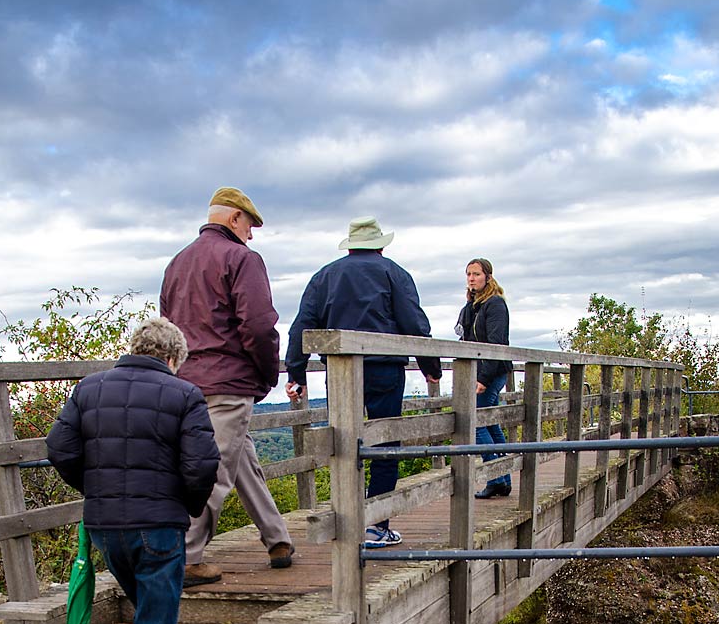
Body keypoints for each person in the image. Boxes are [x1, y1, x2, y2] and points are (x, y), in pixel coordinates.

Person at [46, 317, 220, 624]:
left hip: (105, 528)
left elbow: (60, 449)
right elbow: (202, 465)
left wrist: (97, 491)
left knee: (149, 611)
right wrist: (188, 506)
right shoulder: (184, 395)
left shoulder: (89, 389)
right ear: (172, 358)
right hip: (158, 527)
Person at [160, 187, 294, 587]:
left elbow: (168, 325)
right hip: (228, 381)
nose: (252, 235)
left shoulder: (177, 263)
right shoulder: (242, 258)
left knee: (239, 456)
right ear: (235, 219)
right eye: (250, 225)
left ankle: (277, 539)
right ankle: (186, 559)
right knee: (213, 469)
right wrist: (268, 374)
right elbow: (257, 325)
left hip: (184, 382)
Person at [285, 215, 442, 547]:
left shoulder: (324, 276)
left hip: (340, 374)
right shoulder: (394, 273)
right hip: (384, 370)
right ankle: (375, 525)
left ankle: (346, 522)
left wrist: (297, 374)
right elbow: (415, 325)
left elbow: (302, 327)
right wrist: (431, 368)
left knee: (343, 445)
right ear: (381, 244)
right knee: (385, 443)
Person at [455, 257, 512, 498]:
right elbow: (465, 341)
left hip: (493, 370)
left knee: (475, 421)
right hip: (477, 371)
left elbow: (496, 345)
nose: (471, 278)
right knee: (488, 420)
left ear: (487, 277)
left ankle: (495, 476)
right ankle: (504, 478)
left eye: (476, 274)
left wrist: (484, 379)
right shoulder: (472, 307)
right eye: (468, 274)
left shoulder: (495, 304)